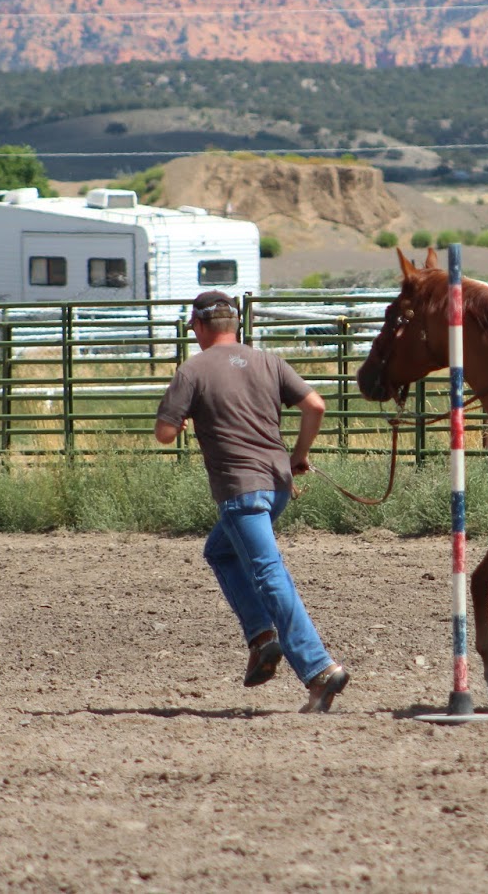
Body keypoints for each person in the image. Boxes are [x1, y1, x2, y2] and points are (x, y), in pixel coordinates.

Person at [154, 290, 350, 713]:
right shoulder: (268, 361)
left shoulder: (192, 370)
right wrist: (298, 456)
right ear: (236, 325)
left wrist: (183, 419)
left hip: (240, 491)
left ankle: (319, 668)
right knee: (220, 551)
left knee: (268, 574)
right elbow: (315, 405)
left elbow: (165, 434)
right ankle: (262, 637)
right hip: (276, 485)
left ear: (201, 328)